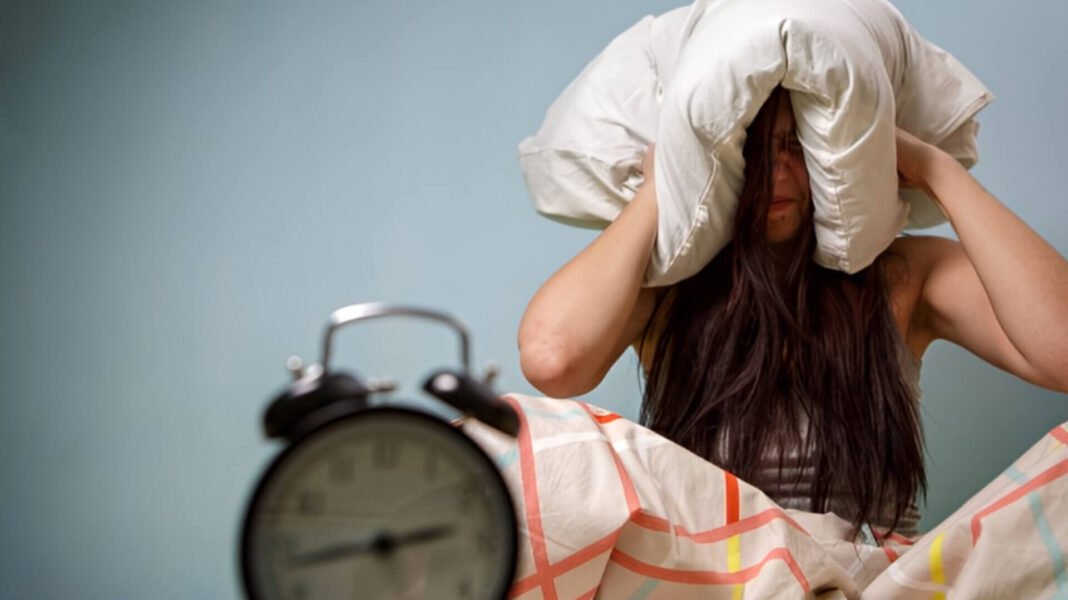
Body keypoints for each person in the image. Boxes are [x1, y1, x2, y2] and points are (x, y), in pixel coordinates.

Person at [516, 86, 1068, 539]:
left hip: (873, 583)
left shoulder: (902, 274)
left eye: (797, 146)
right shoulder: (669, 287)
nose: (776, 175)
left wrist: (935, 169)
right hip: (718, 584)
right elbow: (551, 359)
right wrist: (662, 189)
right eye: (751, 152)